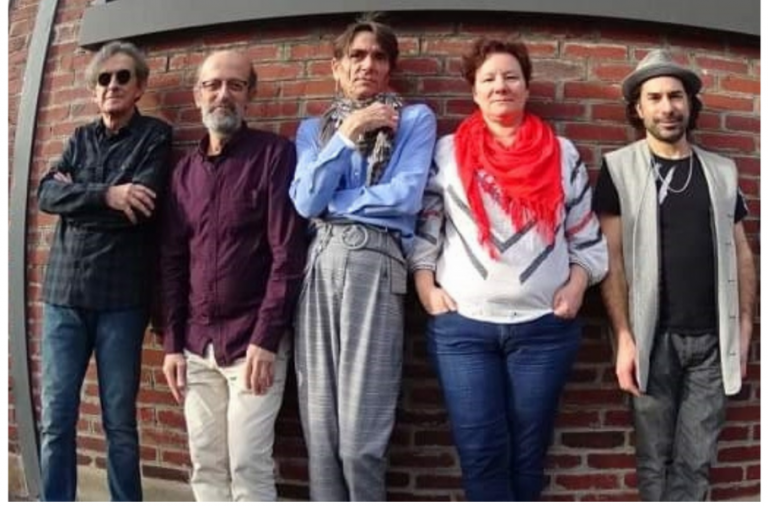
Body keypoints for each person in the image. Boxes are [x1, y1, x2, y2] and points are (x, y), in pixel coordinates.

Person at [409, 38, 608, 501]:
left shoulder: (562, 153)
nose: (500, 86)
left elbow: (585, 236)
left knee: (529, 454)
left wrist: (577, 285)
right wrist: (425, 287)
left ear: (527, 87)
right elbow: (425, 228)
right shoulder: (447, 152)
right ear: (474, 92)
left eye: (511, 77)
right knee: (481, 452)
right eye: (489, 79)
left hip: (544, 331)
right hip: (463, 330)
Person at [592, 49, 756, 501]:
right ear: (638, 108)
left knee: (696, 463)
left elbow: (741, 252)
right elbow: (611, 259)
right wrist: (624, 337)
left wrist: (744, 326)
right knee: (653, 461)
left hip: (712, 343)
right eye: (655, 98)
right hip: (652, 339)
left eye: (676, 96)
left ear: (689, 104)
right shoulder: (619, 168)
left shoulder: (721, 172)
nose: (667, 107)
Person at [289, 14, 437, 501]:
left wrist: (333, 203)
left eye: (378, 56)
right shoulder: (313, 131)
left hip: (377, 261)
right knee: (320, 433)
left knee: (360, 441)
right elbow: (304, 202)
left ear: (390, 67)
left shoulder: (413, 120)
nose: (367, 64)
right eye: (356, 55)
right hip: (318, 265)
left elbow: (405, 196)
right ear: (337, 67)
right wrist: (349, 132)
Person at [159, 50, 306, 501]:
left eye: (235, 85)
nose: (223, 94)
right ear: (198, 94)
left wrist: (266, 337)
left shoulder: (275, 155)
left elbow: (287, 254)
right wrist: (172, 344)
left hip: (252, 345)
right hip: (195, 344)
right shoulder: (183, 174)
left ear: (249, 95)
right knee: (205, 464)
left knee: (248, 465)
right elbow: (172, 263)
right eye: (213, 85)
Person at [36, 41, 172, 501]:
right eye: (104, 78)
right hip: (63, 297)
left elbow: (143, 206)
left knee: (119, 423)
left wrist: (78, 198)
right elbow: (46, 195)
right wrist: (109, 196)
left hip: (121, 302)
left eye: (123, 77)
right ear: (95, 91)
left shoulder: (155, 136)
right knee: (56, 419)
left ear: (140, 87)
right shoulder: (79, 138)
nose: (112, 85)